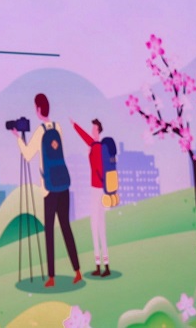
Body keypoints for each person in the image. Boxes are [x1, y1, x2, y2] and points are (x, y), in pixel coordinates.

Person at [14, 93, 82, 287]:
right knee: (66, 227)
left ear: (38, 109)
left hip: (49, 188)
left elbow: (28, 155)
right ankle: (77, 271)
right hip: (63, 184)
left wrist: (18, 138)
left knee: (49, 231)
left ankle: (52, 277)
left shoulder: (40, 132)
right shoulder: (57, 127)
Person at [71, 117, 111, 277]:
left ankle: (99, 265)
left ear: (98, 130)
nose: (92, 130)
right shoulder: (98, 146)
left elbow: (98, 168)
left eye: (94, 128)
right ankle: (105, 265)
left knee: (95, 225)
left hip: (96, 189)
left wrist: (75, 125)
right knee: (101, 226)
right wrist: (75, 125)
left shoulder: (96, 147)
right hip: (102, 189)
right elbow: (85, 136)